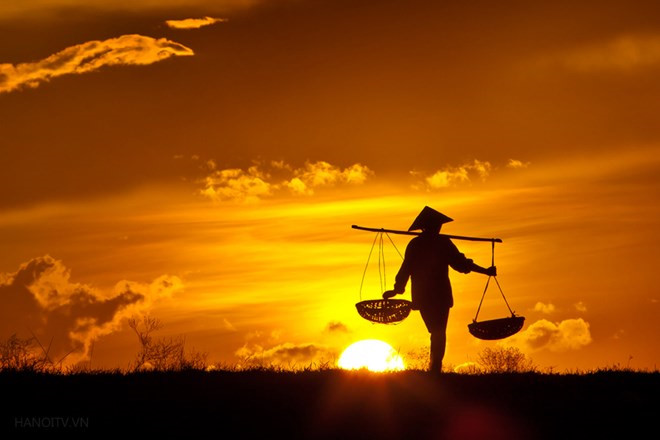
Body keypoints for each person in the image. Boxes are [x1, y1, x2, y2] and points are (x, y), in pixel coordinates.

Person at [382, 206, 496, 374]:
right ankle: (435, 366)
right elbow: (460, 264)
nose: (439, 227)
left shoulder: (423, 244)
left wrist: (397, 289)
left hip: (427, 296)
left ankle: (435, 366)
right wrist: (397, 289)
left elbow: (460, 264)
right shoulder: (438, 243)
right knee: (437, 331)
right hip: (435, 295)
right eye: (437, 225)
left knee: (437, 331)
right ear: (430, 226)